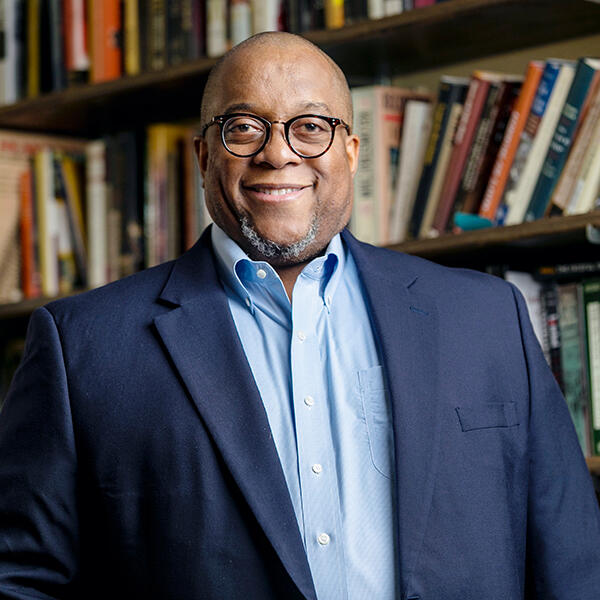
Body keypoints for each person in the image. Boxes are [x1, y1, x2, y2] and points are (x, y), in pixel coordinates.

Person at [1, 31, 599, 600]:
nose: (278, 152)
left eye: (310, 127)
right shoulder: (83, 346)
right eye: (244, 127)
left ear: (351, 151)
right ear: (205, 154)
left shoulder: (487, 317)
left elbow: (574, 566)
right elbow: (21, 578)